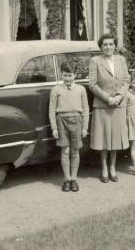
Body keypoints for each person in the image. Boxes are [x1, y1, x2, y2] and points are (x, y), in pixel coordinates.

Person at [89, 34, 130, 183]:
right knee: (104, 138)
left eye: (111, 44)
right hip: (103, 105)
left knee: (115, 138)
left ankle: (113, 167)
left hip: (119, 105)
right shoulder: (95, 61)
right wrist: (108, 98)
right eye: (105, 44)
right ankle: (104, 168)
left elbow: (126, 80)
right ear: (101, 46)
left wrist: (119, 97)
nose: (108, 47)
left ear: (115, 46)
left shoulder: (121, 60)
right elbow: (92, 84)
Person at [49, 61, 89, 192]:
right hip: (61, 121)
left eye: (70, 75)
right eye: (65, 75)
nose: (67, 78)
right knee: (65, 151)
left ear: (75, 75)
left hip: (77, 121)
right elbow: (52, 109)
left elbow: (85, 109)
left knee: (75, 151)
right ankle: (66, 179)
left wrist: (85, 127)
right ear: (61, 75)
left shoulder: (81, 89)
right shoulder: (56, 90)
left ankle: (74, 179)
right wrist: (54, 127)